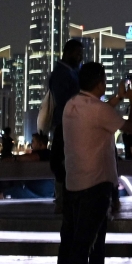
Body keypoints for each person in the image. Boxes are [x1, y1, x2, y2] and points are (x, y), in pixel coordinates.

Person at [58, 62, 132, 264]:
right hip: (96, 183)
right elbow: (130, 127)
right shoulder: (98, 109)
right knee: (85, 242)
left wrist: (117, 97)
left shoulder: (71, 105)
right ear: (100, 83)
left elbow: (100, 113)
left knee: (74, 240)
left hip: (73, 183)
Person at [48, 39, 84, 207]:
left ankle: (66, 195)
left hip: (70, 123)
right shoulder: (63, 74)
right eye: (78, 54)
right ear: (68, 52)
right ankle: (65, 195)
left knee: (61, 160)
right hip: (67, 123)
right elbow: (64, 102)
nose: (80, 57)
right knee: (58, 160)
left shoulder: (72, 71)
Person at [0, 133, 56, 199]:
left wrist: (14, 159)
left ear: (40, 143)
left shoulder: (44, 153)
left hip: (37, 192)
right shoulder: (48, 154)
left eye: (33, 142)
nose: (31, 144)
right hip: (41, 191)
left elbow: (32, 157)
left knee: (9, 192)